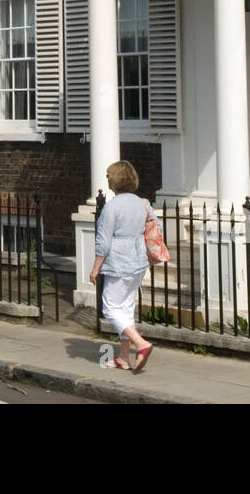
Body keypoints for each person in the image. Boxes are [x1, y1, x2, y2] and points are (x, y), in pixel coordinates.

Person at [89, 160, 156, 373]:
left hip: (118, 263)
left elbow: (103, 241)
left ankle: (141, 343)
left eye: (109, 176)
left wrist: (95, 268)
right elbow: (156, 226)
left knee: (109, 307)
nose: (107, 179)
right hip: (138, 263)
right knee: (126, 308)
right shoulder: (142, 203)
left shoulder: (111, 207)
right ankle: (124, 358)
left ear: (115, 180)